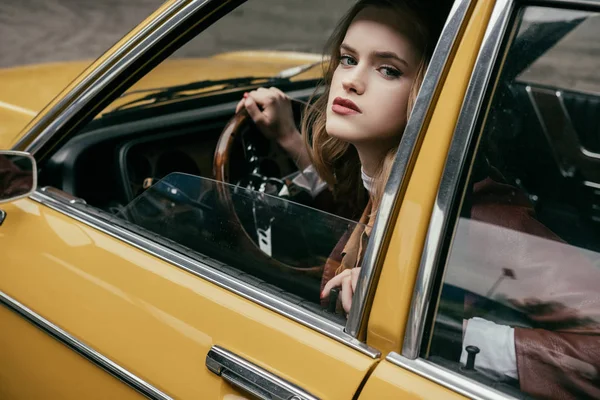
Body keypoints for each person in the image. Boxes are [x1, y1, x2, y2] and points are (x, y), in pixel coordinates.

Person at [238, 0, 600, 398]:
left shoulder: (480, 221)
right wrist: (291, 139)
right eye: (347, 58)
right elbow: (359, 220)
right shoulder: (395, 182)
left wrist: (437, 330)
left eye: (388, 69)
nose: (352, 81)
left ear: (428, 93)